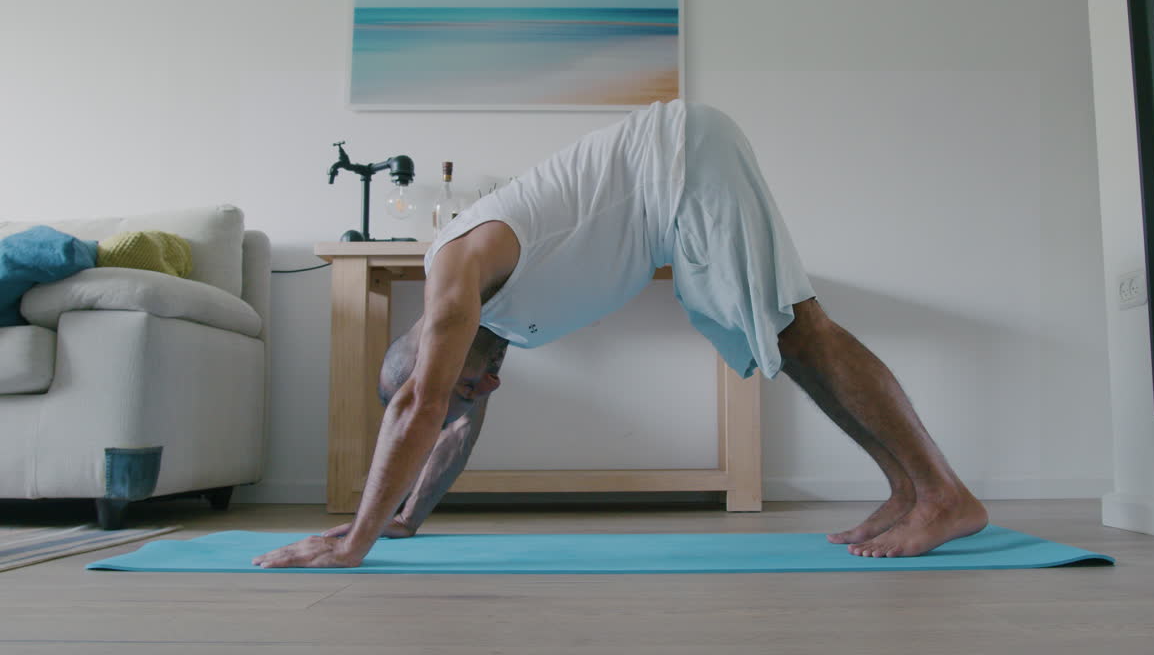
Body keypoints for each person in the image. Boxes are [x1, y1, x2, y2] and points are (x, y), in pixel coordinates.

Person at [253, 100, 988, 569]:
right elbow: (447, 425)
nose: (481, 395)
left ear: (429, 357)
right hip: (672, 195)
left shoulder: (454, 268)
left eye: (464, 389)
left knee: (798, 329)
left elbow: (422, 408)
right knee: (786, 337)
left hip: (680, 160)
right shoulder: (489, 333)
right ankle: (908, 488)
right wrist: (403, 521)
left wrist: (354, 540)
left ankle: (943, 494)